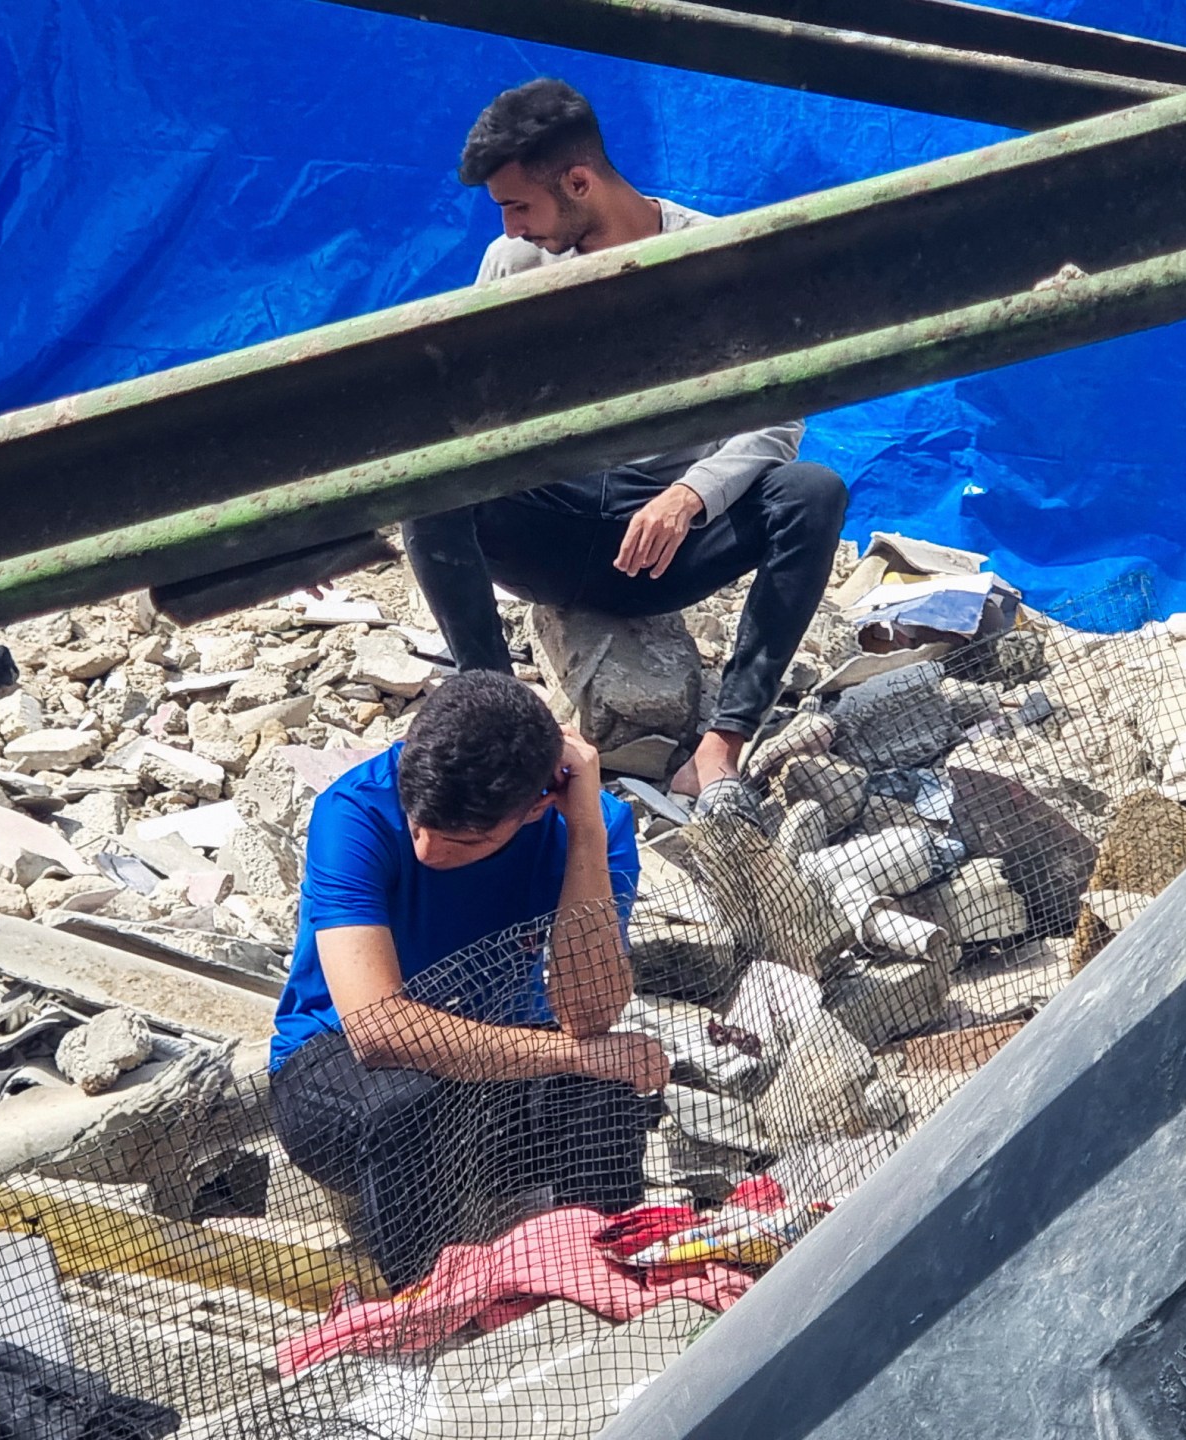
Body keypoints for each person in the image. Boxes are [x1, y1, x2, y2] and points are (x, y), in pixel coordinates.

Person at [404, 77, 852, 796]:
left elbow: (775, 422)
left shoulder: (715, 258)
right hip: (545, 527)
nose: (512, 227)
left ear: (579, 181)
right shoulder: (510, 265)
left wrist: (689, 497)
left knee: (813, 492)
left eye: (520, 205)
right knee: (425, 481)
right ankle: (495, 712)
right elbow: (465, 419)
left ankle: (723, 742)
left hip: (662, 548)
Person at [268, 671, 669, 1288]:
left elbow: (589, 1015)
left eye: (466, 840)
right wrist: (577, 1054)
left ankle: (605, 1266)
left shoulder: (594, 827)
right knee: (407, 1106)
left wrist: (584, 823)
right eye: (419, 824)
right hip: (337, 1073)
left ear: (538, 804)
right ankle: (431, 1302)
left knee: (608, 1093)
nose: (428, 850)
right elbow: (378, 1030)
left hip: (494, 1075)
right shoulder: (354, 811)